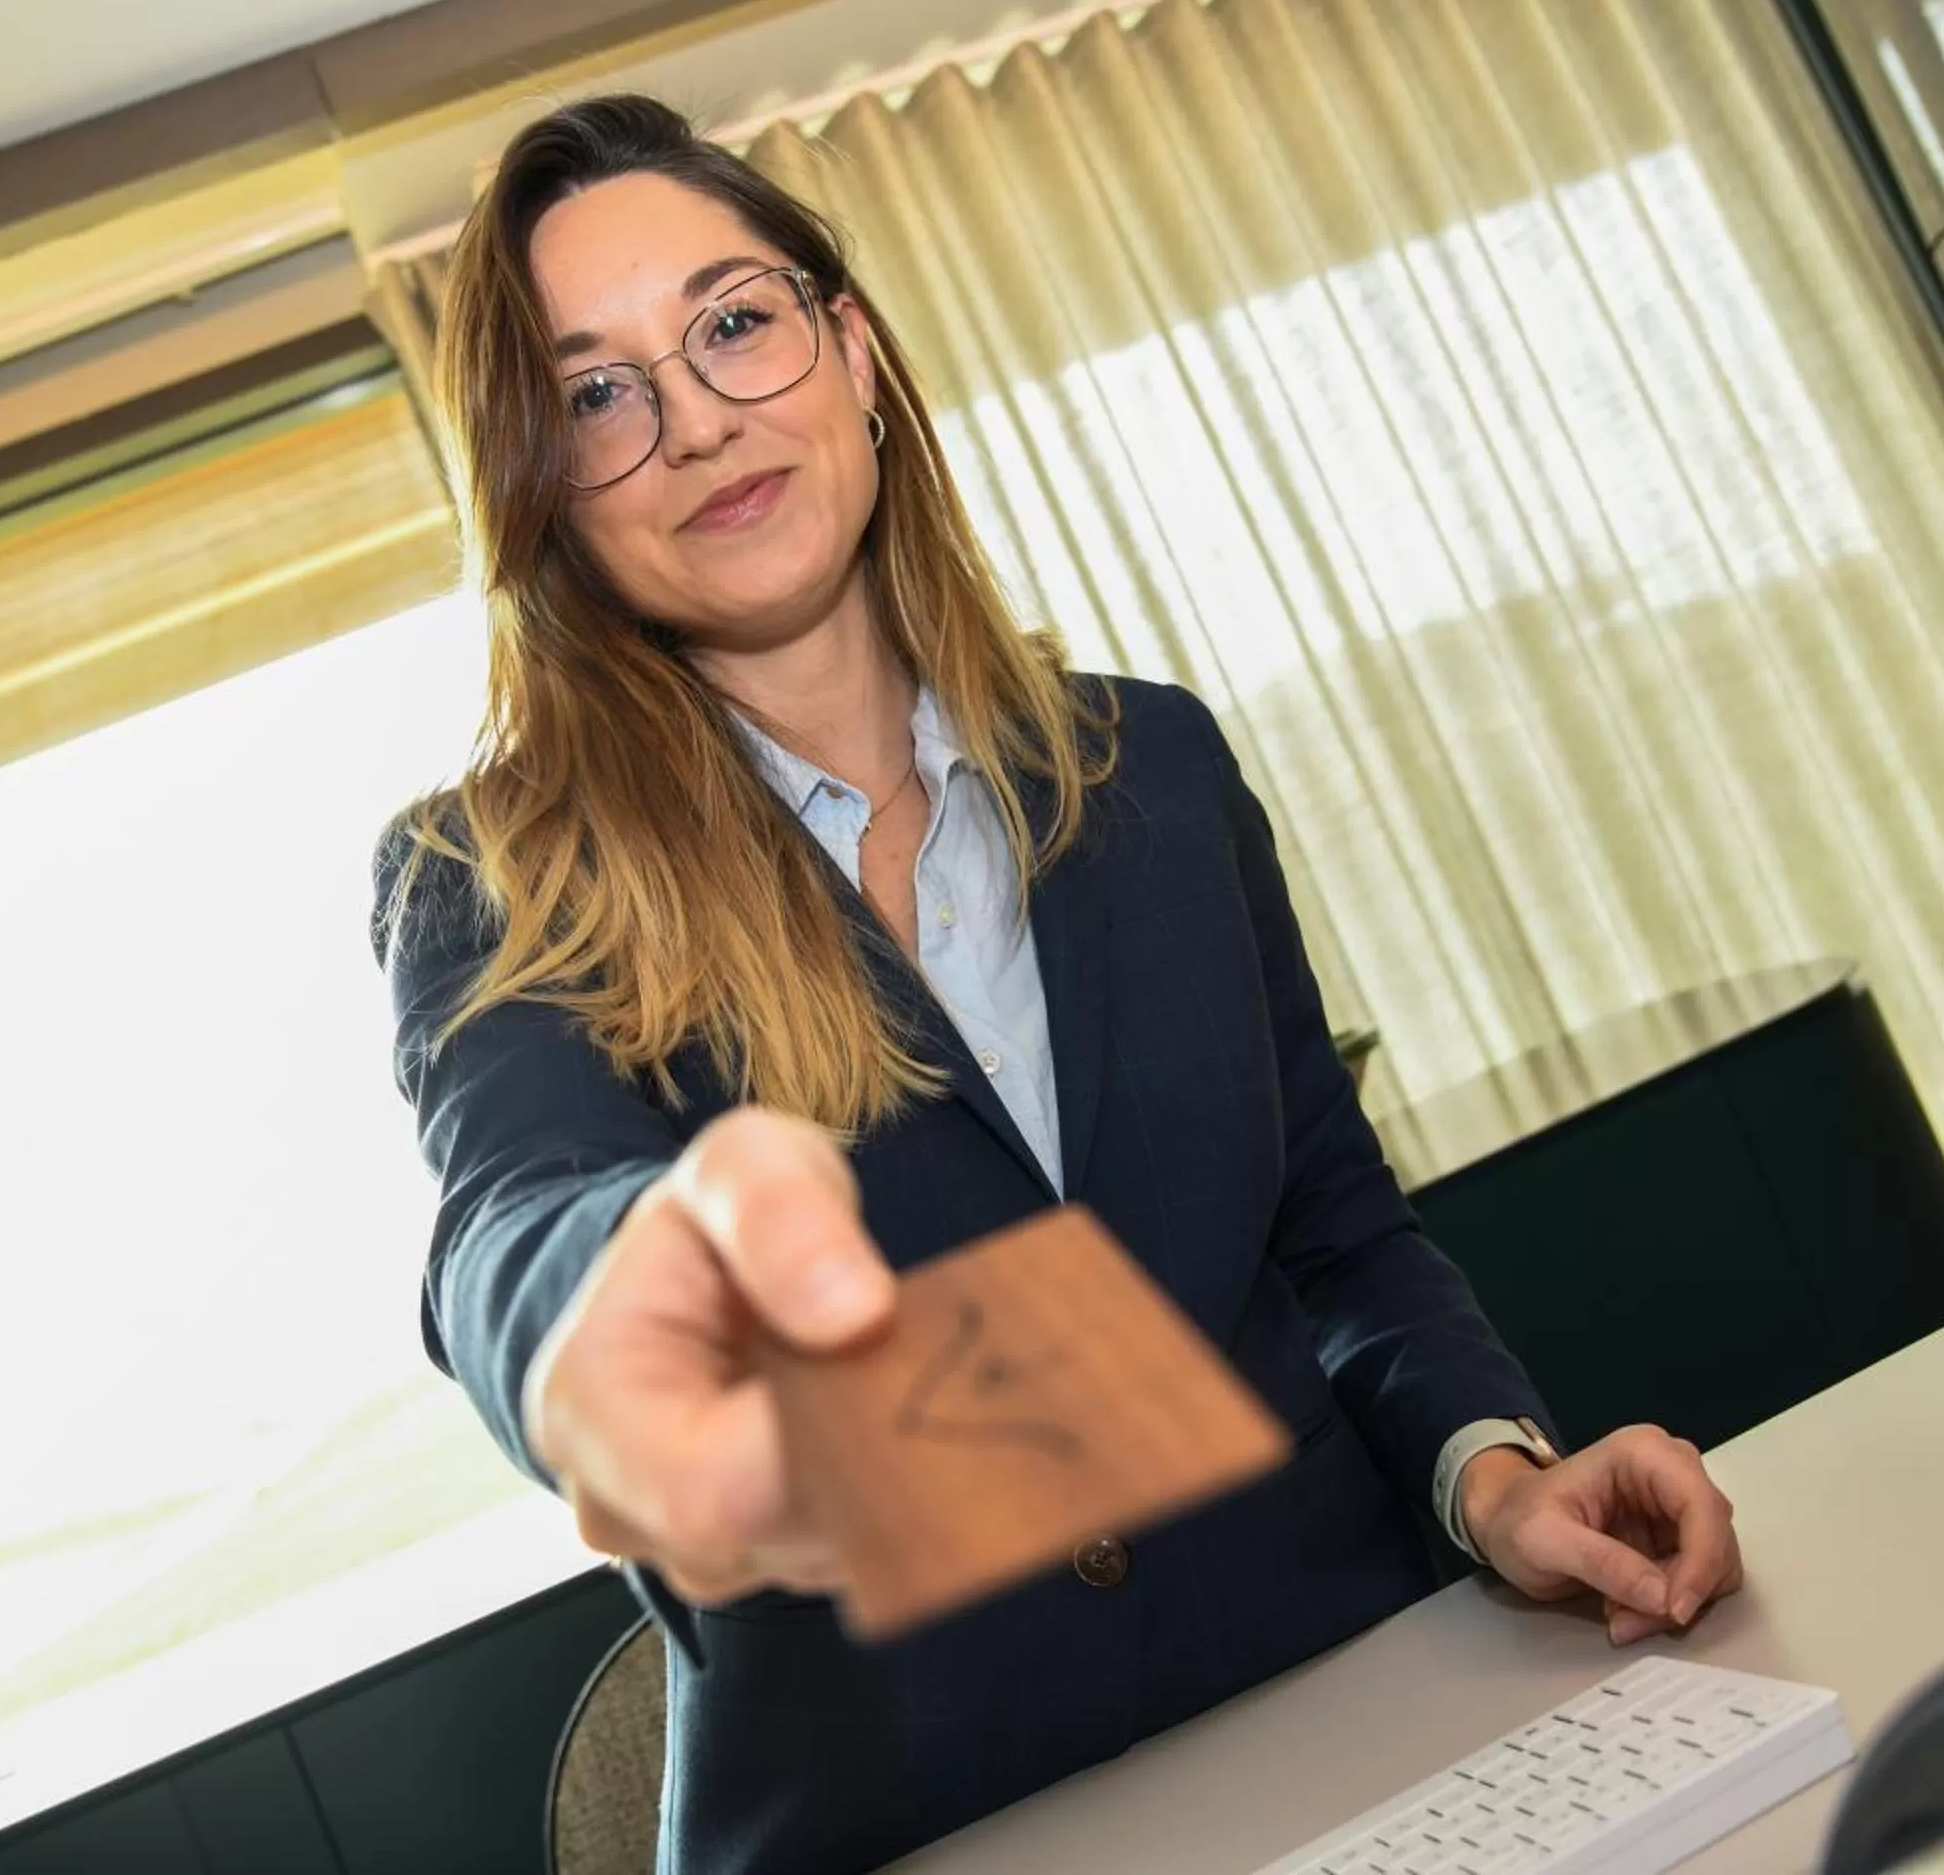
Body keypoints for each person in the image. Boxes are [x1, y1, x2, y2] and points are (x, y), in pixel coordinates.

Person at [372, 93, 1744, 1874]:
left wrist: (1494, 1476)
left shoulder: (1154, 766)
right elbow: (514, 1227)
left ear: (850, 350)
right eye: (597, 393)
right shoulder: (494, 876)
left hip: (1355, 1735)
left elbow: (1335, 1232)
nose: (697, 417)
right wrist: (612, 1316)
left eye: (732, 322)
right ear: (547, 490)